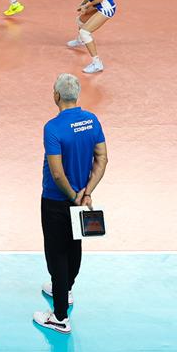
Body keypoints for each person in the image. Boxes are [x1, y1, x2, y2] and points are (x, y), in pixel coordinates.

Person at [35, 73, 108, 334]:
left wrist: (72, 195)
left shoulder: (53, 128)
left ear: (56, 96)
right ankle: (65, 289)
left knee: (56, 253)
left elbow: (57, 174)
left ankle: (59, 317)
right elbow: (102, 158)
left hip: (56, 201)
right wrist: (86, 193)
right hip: (79, 201)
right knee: (74, 247)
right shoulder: (92, 120)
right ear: (76, 96)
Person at [67, 0, 115, 74]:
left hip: (106, 8)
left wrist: (86, 6)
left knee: (85, 32)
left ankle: (97, 64)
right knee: (80, 20)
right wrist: (83, 5)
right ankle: (81, 41)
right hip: (99, 5)